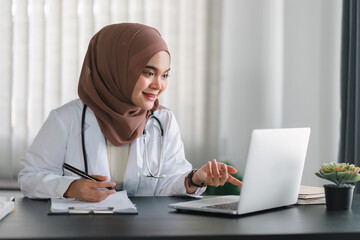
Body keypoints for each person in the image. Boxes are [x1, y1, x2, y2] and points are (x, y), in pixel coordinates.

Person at [18, 23, 242, 202]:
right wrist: (71, 188)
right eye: (148, 72)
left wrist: (195, 179)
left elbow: (167, 183)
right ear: (114, 68)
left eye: (165, 75)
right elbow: (30, 178)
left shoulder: (163, 121)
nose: (158, 85)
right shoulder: (66, 119)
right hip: (81, 230)